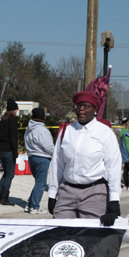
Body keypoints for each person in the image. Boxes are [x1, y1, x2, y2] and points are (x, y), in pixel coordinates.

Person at [47, 91, 122, 220]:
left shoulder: (105, 133)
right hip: (67, 192)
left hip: (94, 193)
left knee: (90, 231)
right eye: (78, 106)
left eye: (86, 106)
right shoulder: (66, 131)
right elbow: (57, 164)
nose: (81, 109)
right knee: (61, 230)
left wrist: (114, 199)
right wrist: (52, 194)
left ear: (95, 109)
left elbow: (113, 167)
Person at [24, 107, 53, 214]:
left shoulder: (29, 129)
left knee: (38, 183)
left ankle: (29, 204)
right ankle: (35, 206)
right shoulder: (42, 130)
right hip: (42, 158)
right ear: (42, 118)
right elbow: (48, 147)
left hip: (31, 156)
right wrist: (57, 154)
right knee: (41, 183)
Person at [0, 99, 19, 206]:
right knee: (10, 174)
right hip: (8, 149)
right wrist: (15, 152)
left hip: (1, 148)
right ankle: (4, 197)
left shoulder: (3, 119)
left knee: (6, 173)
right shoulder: (12, 120)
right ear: (14, 110)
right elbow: (13, 137)